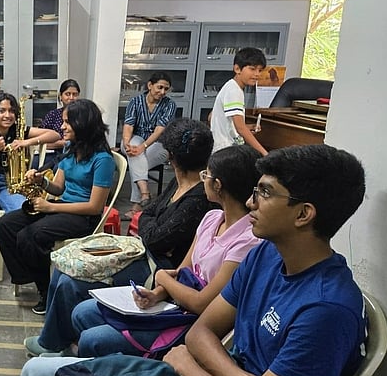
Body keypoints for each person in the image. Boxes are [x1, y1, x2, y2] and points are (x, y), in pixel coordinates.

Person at [17, 144, 368, 376]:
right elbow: (201, 332)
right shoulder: (266, 257)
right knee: (37, 372)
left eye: (264, 192)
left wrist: (187, 365)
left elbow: (196, 335)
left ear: (303, 214)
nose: (250, 202)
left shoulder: (326, 310)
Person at [24, 118, 216, 356]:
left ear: (171, 156)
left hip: (161, 269)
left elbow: (153, 234)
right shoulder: (178, 185)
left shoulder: (197, 198)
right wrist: (149, 224)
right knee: (65, 268)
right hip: (146, 254)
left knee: (70, 283)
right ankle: (55, 339)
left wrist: (148, 224)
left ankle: (56, 344)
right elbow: (147, 215)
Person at [69, 144, 262, 358]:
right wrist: (155, 294)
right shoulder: (212, 218)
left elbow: (202, 303)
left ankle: (103, 372)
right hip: (177, 303)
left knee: (92, 339)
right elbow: (183, 271)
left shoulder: (247, 242)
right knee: (82, 312)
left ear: (218, 185)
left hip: (194, 323)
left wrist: (162, 278)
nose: (203, 179)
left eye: (206, 175)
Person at [0, 99, 115, 314]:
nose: (62, 127)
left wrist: (50, 207)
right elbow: (58, 187)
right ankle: (28, 276)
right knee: (5, 225)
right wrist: (41, 181)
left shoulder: (103, 159)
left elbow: (95, 207)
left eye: (67, 122)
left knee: (31, 235)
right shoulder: (71, 148)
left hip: (83, 216)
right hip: (62, 206)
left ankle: (46, 292)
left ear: (83, 124)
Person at [0, 92, 61, 265]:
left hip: (12, 184)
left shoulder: (20, 132)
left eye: (11, 111)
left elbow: (55, 135)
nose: (7, 115)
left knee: (23, 212)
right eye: (2, 111)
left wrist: (27, 142)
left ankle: (17, 251)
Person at [120, 72, 176, 219]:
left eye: (166, 89)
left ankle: (139, 201)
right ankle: (143, 195)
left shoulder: (169, 105)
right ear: (150, 85)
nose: (162, 92)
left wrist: (143, 147)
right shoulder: (136, 101)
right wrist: (126, 143)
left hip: (159, 144)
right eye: (160, 87)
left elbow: (159, 130)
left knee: (136, 161)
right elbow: (128, 125)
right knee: (134, 147)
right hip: (135, 141)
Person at [211, 47, 268, 155]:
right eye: (252, 69)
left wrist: (246, 127)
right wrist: (265, 153)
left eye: (260, 70)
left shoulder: (231, 86)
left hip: (223, 148)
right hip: (226, 151)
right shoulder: (234, 91)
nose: (257, 74)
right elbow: (240, 128)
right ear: (237, 69)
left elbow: (211, 117)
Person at [38, 79, 81, 168]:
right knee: (36, 164)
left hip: (75, 153)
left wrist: (62, 144)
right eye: (67, 94)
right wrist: (62, 143)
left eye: (75, 94)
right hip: (52, 152)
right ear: (60, 96)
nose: (71, 98)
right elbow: (42, 141)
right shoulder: (53, 115)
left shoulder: (83, 116)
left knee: (57, 167)